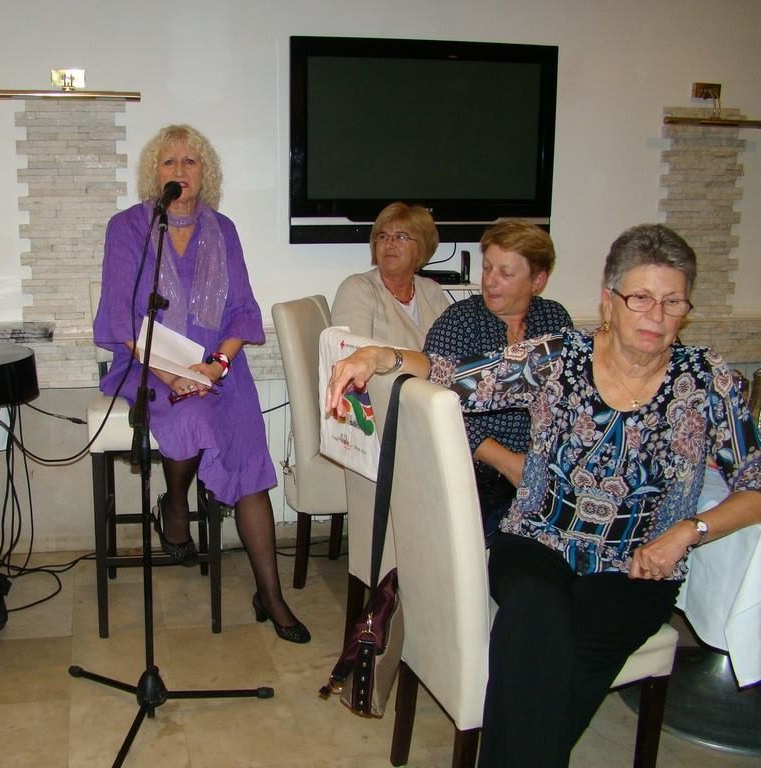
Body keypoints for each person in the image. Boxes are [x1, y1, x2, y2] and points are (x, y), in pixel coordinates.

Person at [326, 223, 761, 766]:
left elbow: (755, 485)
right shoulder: (559, 358)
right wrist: (380, 357)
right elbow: (452, 374)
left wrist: (688, 532)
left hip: (635, 567)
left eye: (672, 302)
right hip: (536, 540)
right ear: (609, 300)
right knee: (534, 617)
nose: (656, 315)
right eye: (641, 298)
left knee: (545, 653)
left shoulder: (706, 381)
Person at [93, 124, 309, 644]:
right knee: (189, 415)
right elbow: (121, 317)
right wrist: (172, 373)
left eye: (190, 162)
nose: (180, 171)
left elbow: (242, 310)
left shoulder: (223, 229)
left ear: (204, 172)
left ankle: (271, 595)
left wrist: (216, 365)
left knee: (249, 459)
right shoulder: (128, 228)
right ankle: (175, 506)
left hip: (217, 369)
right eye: (169, 162)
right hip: (149, 366)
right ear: (155, 173)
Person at [423, 220, 572, 538]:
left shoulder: (554, 319)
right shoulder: (460, 322)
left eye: (505, 273)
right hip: (475, 470)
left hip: (540, 465)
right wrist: (507, 462)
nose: (490, 281)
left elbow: (567, 400)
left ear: (538, 280)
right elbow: (434, 407)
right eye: (488, 268)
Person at [331, 202, 449, 348]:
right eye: (382, 236)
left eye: (400, 237)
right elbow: (356, 356)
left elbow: (454, 350)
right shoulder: (357, 289)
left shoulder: (432, 290)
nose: (389, 243)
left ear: (421, 248)